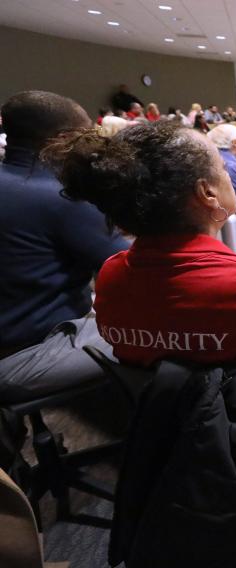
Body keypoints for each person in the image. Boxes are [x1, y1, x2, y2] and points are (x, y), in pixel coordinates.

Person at [42, 120, 236, 419]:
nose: (228, 173)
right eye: (221, 167)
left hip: (167, 434)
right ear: (207, 193)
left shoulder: (111, 275)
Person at [0, 90, 129, 407]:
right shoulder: (61, 199)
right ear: (63, 139)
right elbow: (133, 269)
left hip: (10, 341)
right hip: (26, 355)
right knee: (171, 332)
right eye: (87, 135)